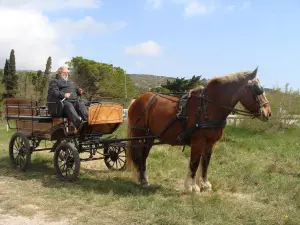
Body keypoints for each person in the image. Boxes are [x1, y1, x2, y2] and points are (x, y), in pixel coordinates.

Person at [47, 66, 88, 131]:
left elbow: (77, 90)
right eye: (64, 72)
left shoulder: (71, 82)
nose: (66, 74)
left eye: (67, 73)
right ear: (59, 73)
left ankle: (88, 123)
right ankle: (79, 125)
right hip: (59, 105)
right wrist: (64, 95)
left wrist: (79, 91)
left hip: (73, 102)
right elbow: (54, 92)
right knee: (68, 105)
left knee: (81, 105)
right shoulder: (54, 82)